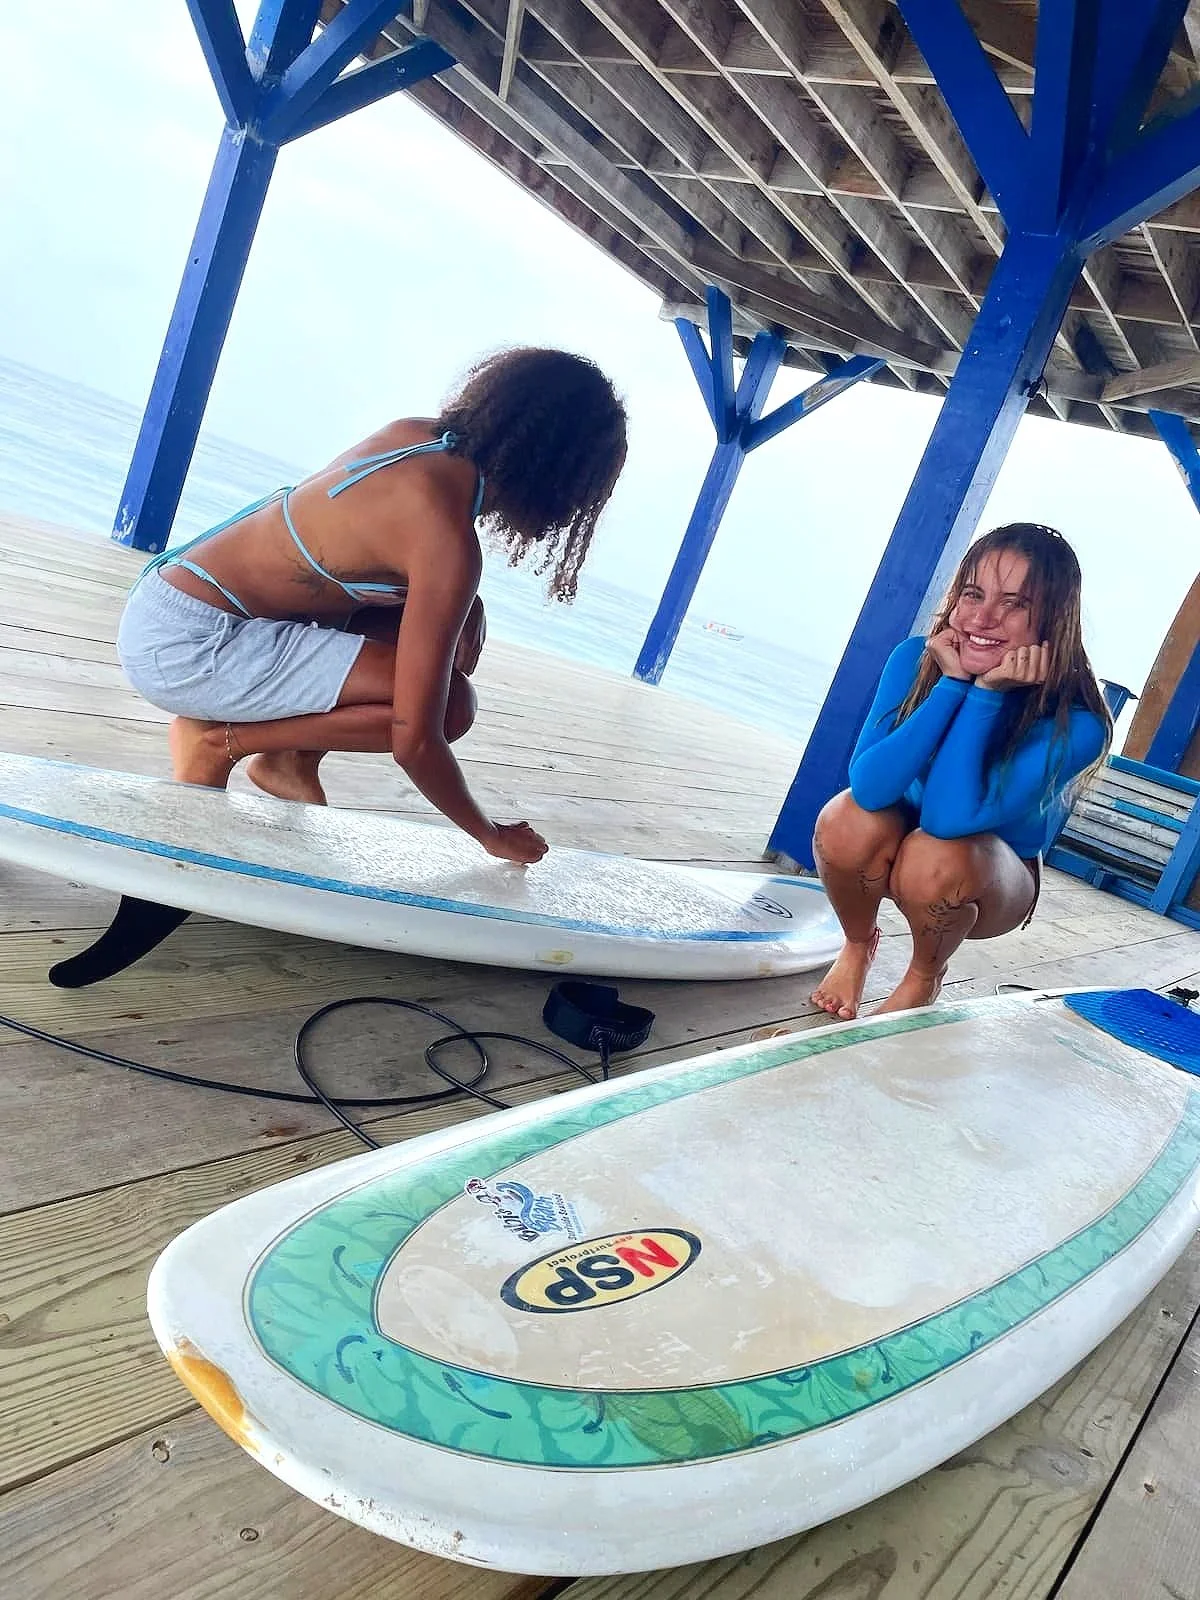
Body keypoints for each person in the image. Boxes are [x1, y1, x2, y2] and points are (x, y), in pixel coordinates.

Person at [116, 347, 628, 866]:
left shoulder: (412, 437)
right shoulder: (444, 540)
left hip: (167, 605)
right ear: (558, 476)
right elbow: (417, 741)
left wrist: (466, 606)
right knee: (450, 706)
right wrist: (490, 835)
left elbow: (349, 556)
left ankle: (287, 759)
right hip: (190, 649)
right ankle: (218, 741)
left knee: (437, 640)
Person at [810, 523, 1111, 1020]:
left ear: (1053, 620)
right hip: (905, 838)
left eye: (1015, 604)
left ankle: (924, 976)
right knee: (844, 818)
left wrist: (986, 694)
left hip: (990, 874)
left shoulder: (1075, 724)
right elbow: (869, 786)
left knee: (937, 852)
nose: (984, 618)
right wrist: (951, 684)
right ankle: (858, 945)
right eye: (973, 594)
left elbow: (950, 818)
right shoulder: (915, 660)